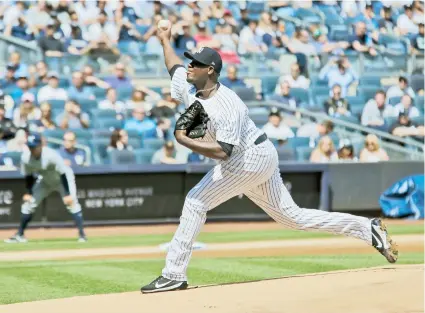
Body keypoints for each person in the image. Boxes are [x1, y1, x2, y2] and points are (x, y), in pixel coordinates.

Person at [140, 23, 398, 294]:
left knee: (195, 201)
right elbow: (173, 66)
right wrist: (165, 40)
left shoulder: (228, 105)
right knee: (293, 218)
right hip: (257, 156)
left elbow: (224, 152)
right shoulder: (190, 88)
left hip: (247, 158)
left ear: (211, 70)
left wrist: (185, 140)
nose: (190, 65)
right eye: (191, 60)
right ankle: (367, 228)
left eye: (196, 63)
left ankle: (173, 274)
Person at [4, 133, 87, 243]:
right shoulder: (26, 157)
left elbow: (63, 173)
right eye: (30, 146)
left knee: (72, 203)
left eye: (34, 146)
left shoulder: (51, 155)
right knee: (28, 204)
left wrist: (67, 194)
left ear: (40, 146)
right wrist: (29, 192)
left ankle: (82, 234)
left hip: (63, 179)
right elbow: (29, 176)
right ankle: (20, 235)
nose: (32, 149)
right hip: (45, 180)